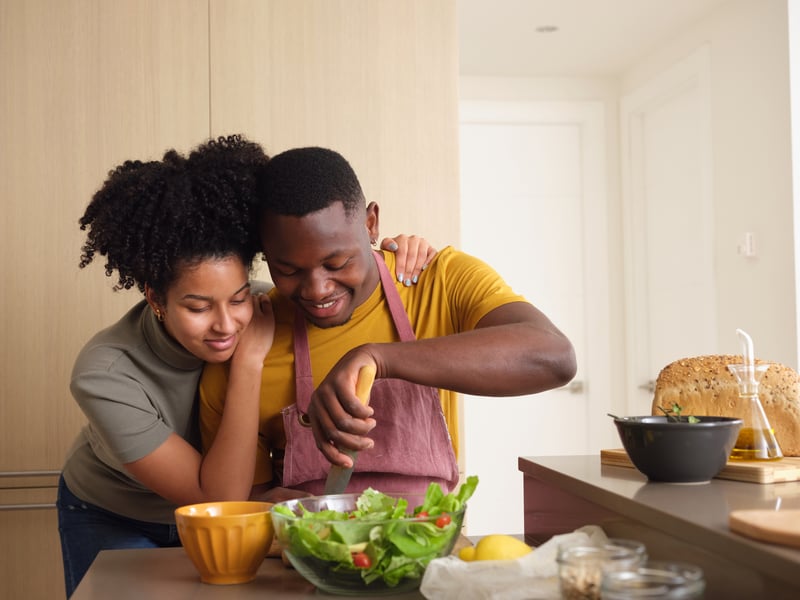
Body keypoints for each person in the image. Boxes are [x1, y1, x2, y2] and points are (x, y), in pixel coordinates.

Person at [57, 135, 435, 598]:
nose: (225, 325)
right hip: (122, 515)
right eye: (198, 307)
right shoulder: (105, 374)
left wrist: (393, 252)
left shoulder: (272, 304)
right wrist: (250, 361)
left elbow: (339, 276)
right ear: (155, 297)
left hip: (242, 509)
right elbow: (215, 500)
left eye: (237, 297)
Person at [199, 146, 577, 497]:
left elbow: (554, 357)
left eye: (337, 263)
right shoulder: (246, 345)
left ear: (371, 223)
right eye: (287, 269)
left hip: (427, 553)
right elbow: (239, 501)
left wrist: (379, 358)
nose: (316, 289)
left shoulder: (439, 280)